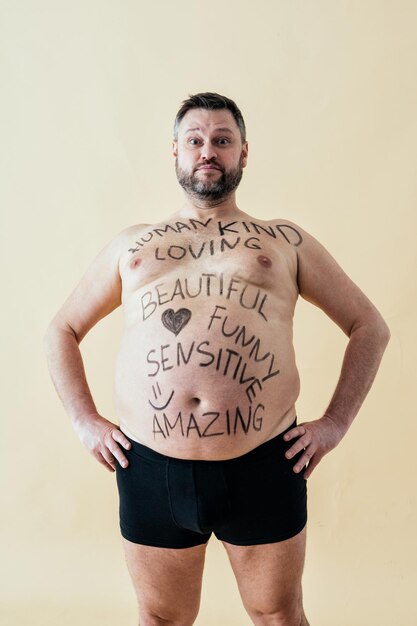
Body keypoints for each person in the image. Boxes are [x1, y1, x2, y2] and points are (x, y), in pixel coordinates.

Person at [43, 92, 390, 626]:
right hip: (150, 467)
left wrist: (335, 424)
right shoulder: (132, 244)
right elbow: (61, 329)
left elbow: (369, 326)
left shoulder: (283, 240)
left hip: (265, 462)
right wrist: (84, 420)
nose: (209, 151)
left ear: (244, 153)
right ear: (176, 154)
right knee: (160, 618)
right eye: (196, 140)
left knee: (278, 614)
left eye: (223, 141)